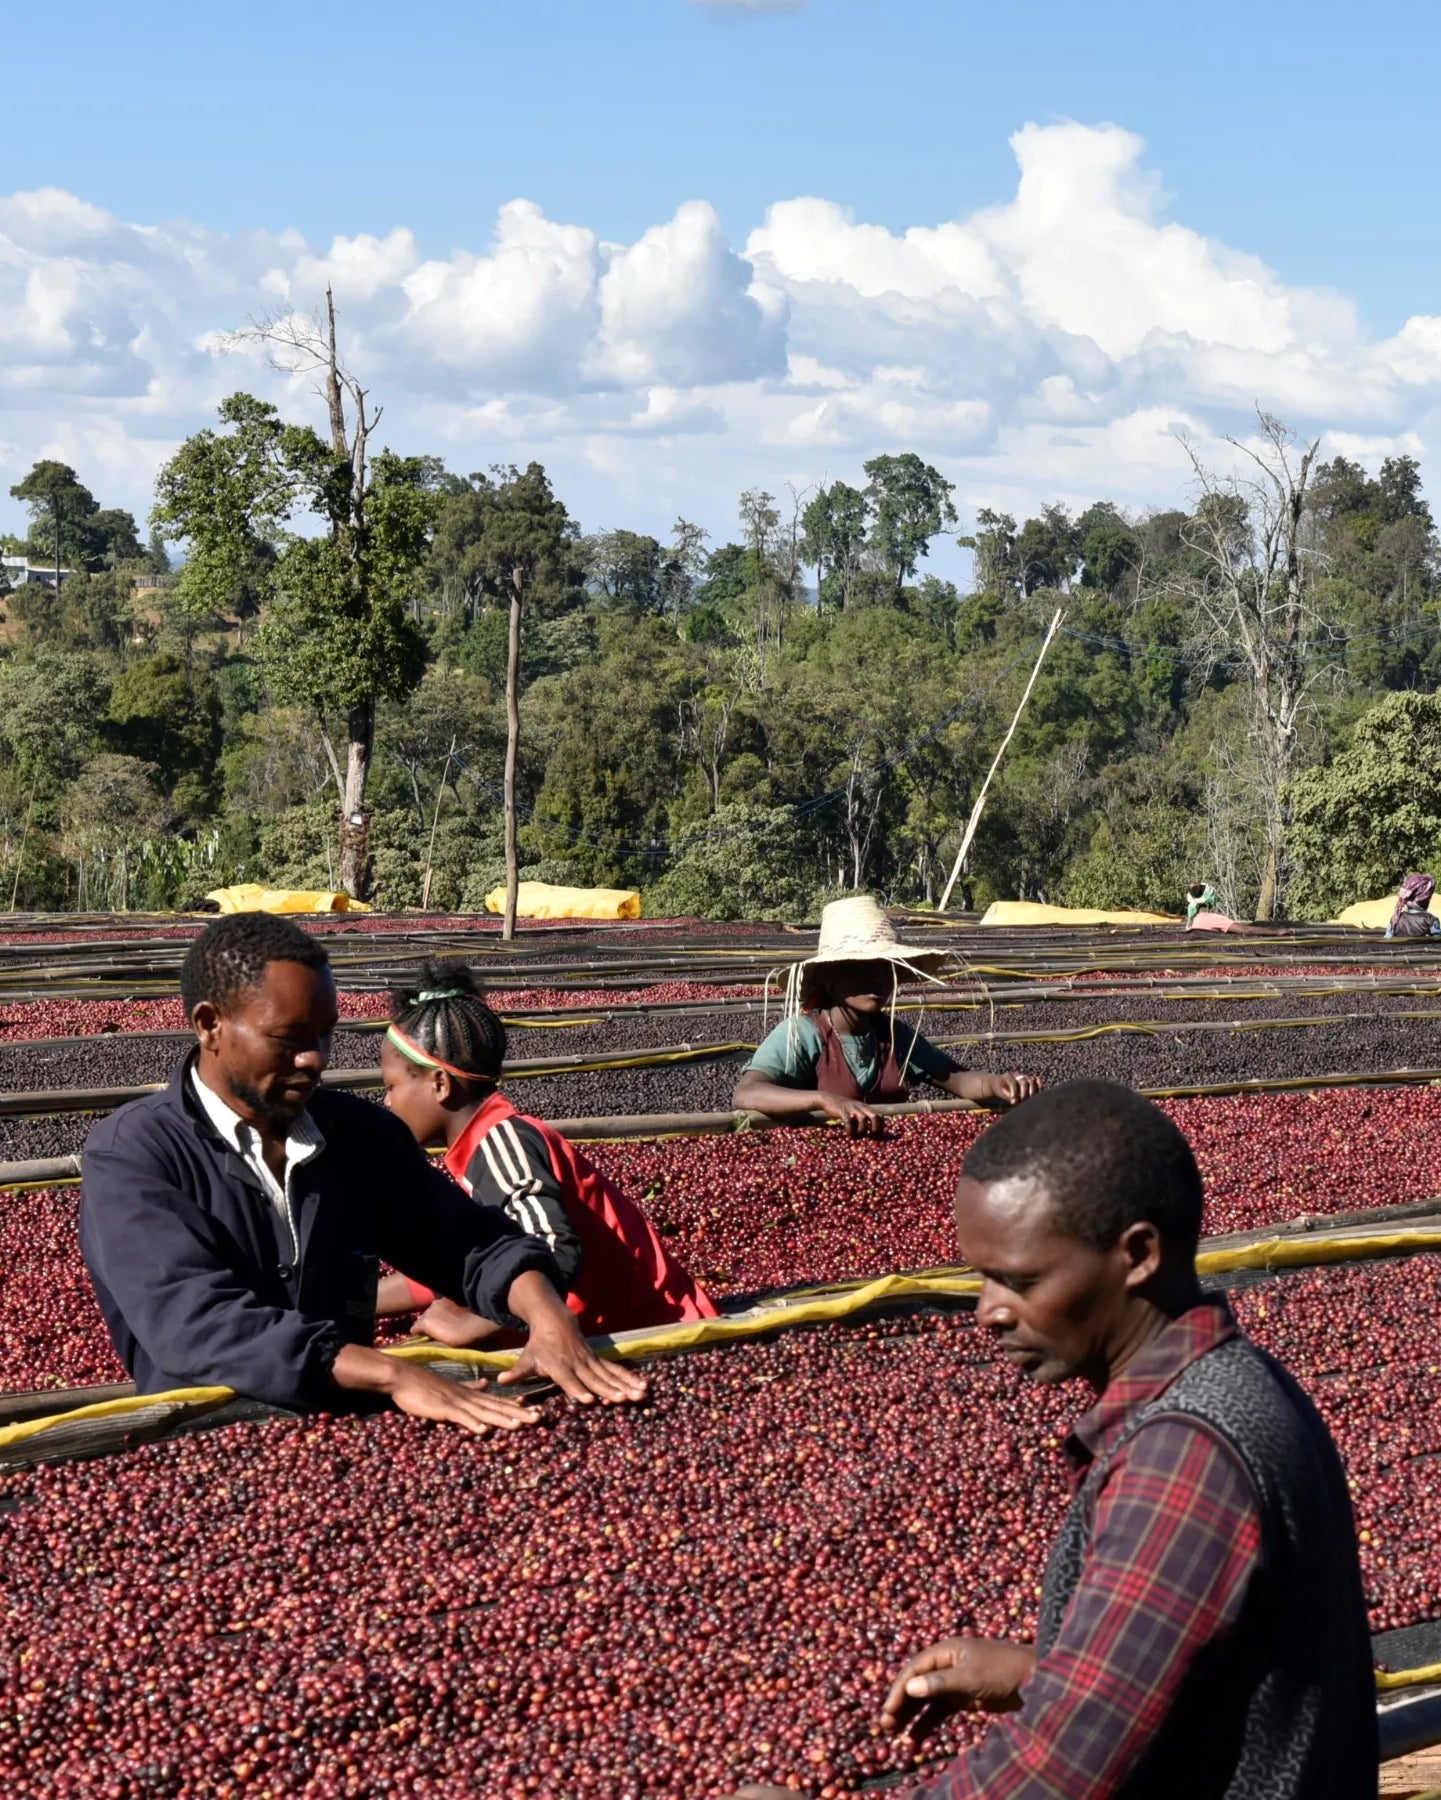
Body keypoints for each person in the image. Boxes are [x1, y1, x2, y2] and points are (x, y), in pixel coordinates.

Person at [727, 1081, 1378, 1799]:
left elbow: (1062, 1770)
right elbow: (1224, 1668)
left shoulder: (1181, 1457)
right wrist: (1045, 1672)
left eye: (1017, 1281)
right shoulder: (1239, 1378)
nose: (986, 1313)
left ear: (1135, 1255)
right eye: (979, 1278)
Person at [80, 913, 646, 1435]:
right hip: (211, 1441)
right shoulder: (135, 1156)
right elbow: (195, 1323)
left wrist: (546, 1316)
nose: (315, 1059)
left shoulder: (359, 1137)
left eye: (324, 1034)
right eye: (289, 1039)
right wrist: (393, 1374)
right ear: (210, 1025)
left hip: (348, 1430)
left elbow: (463, 1240)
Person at [374, 962, 719, 1346]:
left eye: (391, 1085)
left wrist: (475, 1321)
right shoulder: (478, 1148)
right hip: (609, 1331)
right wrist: (349, 1303)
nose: (386, 1100)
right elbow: (460, 1260)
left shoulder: (502, 1145)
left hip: (654, 1334)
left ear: (440, 1084)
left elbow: (552, 1250)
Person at [732, 896, 1040, 1137]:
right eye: (861, 969)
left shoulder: (894, 1036)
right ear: (829, 979)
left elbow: (957, 1079)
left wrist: (999, 1083)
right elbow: (747, 1092)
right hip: (815, 1165)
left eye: (884, 969)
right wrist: (824, 1100)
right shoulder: (802, 1034)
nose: (878, 980)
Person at [1386, 872, 1441, 939]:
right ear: (1425, 900)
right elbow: (1437, 943)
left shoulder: (1395, 919)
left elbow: (1387, 940)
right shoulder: (1431, 920)